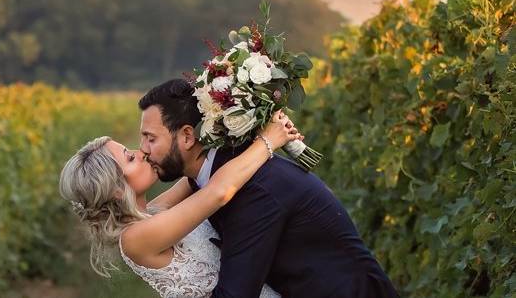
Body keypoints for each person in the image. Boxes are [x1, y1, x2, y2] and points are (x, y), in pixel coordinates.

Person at [138, 79, 400, 298]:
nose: (143, 149)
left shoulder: (253, 190)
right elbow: (160, 210)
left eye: (150, 138)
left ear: (187, 136)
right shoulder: (214, 176)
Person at [59, 109, 299, 298]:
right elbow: (218, 191)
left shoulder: (152, 212)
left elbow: (193, 175)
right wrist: (268, 141)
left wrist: (229, 121)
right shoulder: (134, 239)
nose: (141, 152)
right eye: (130, 157)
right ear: (116, 190)